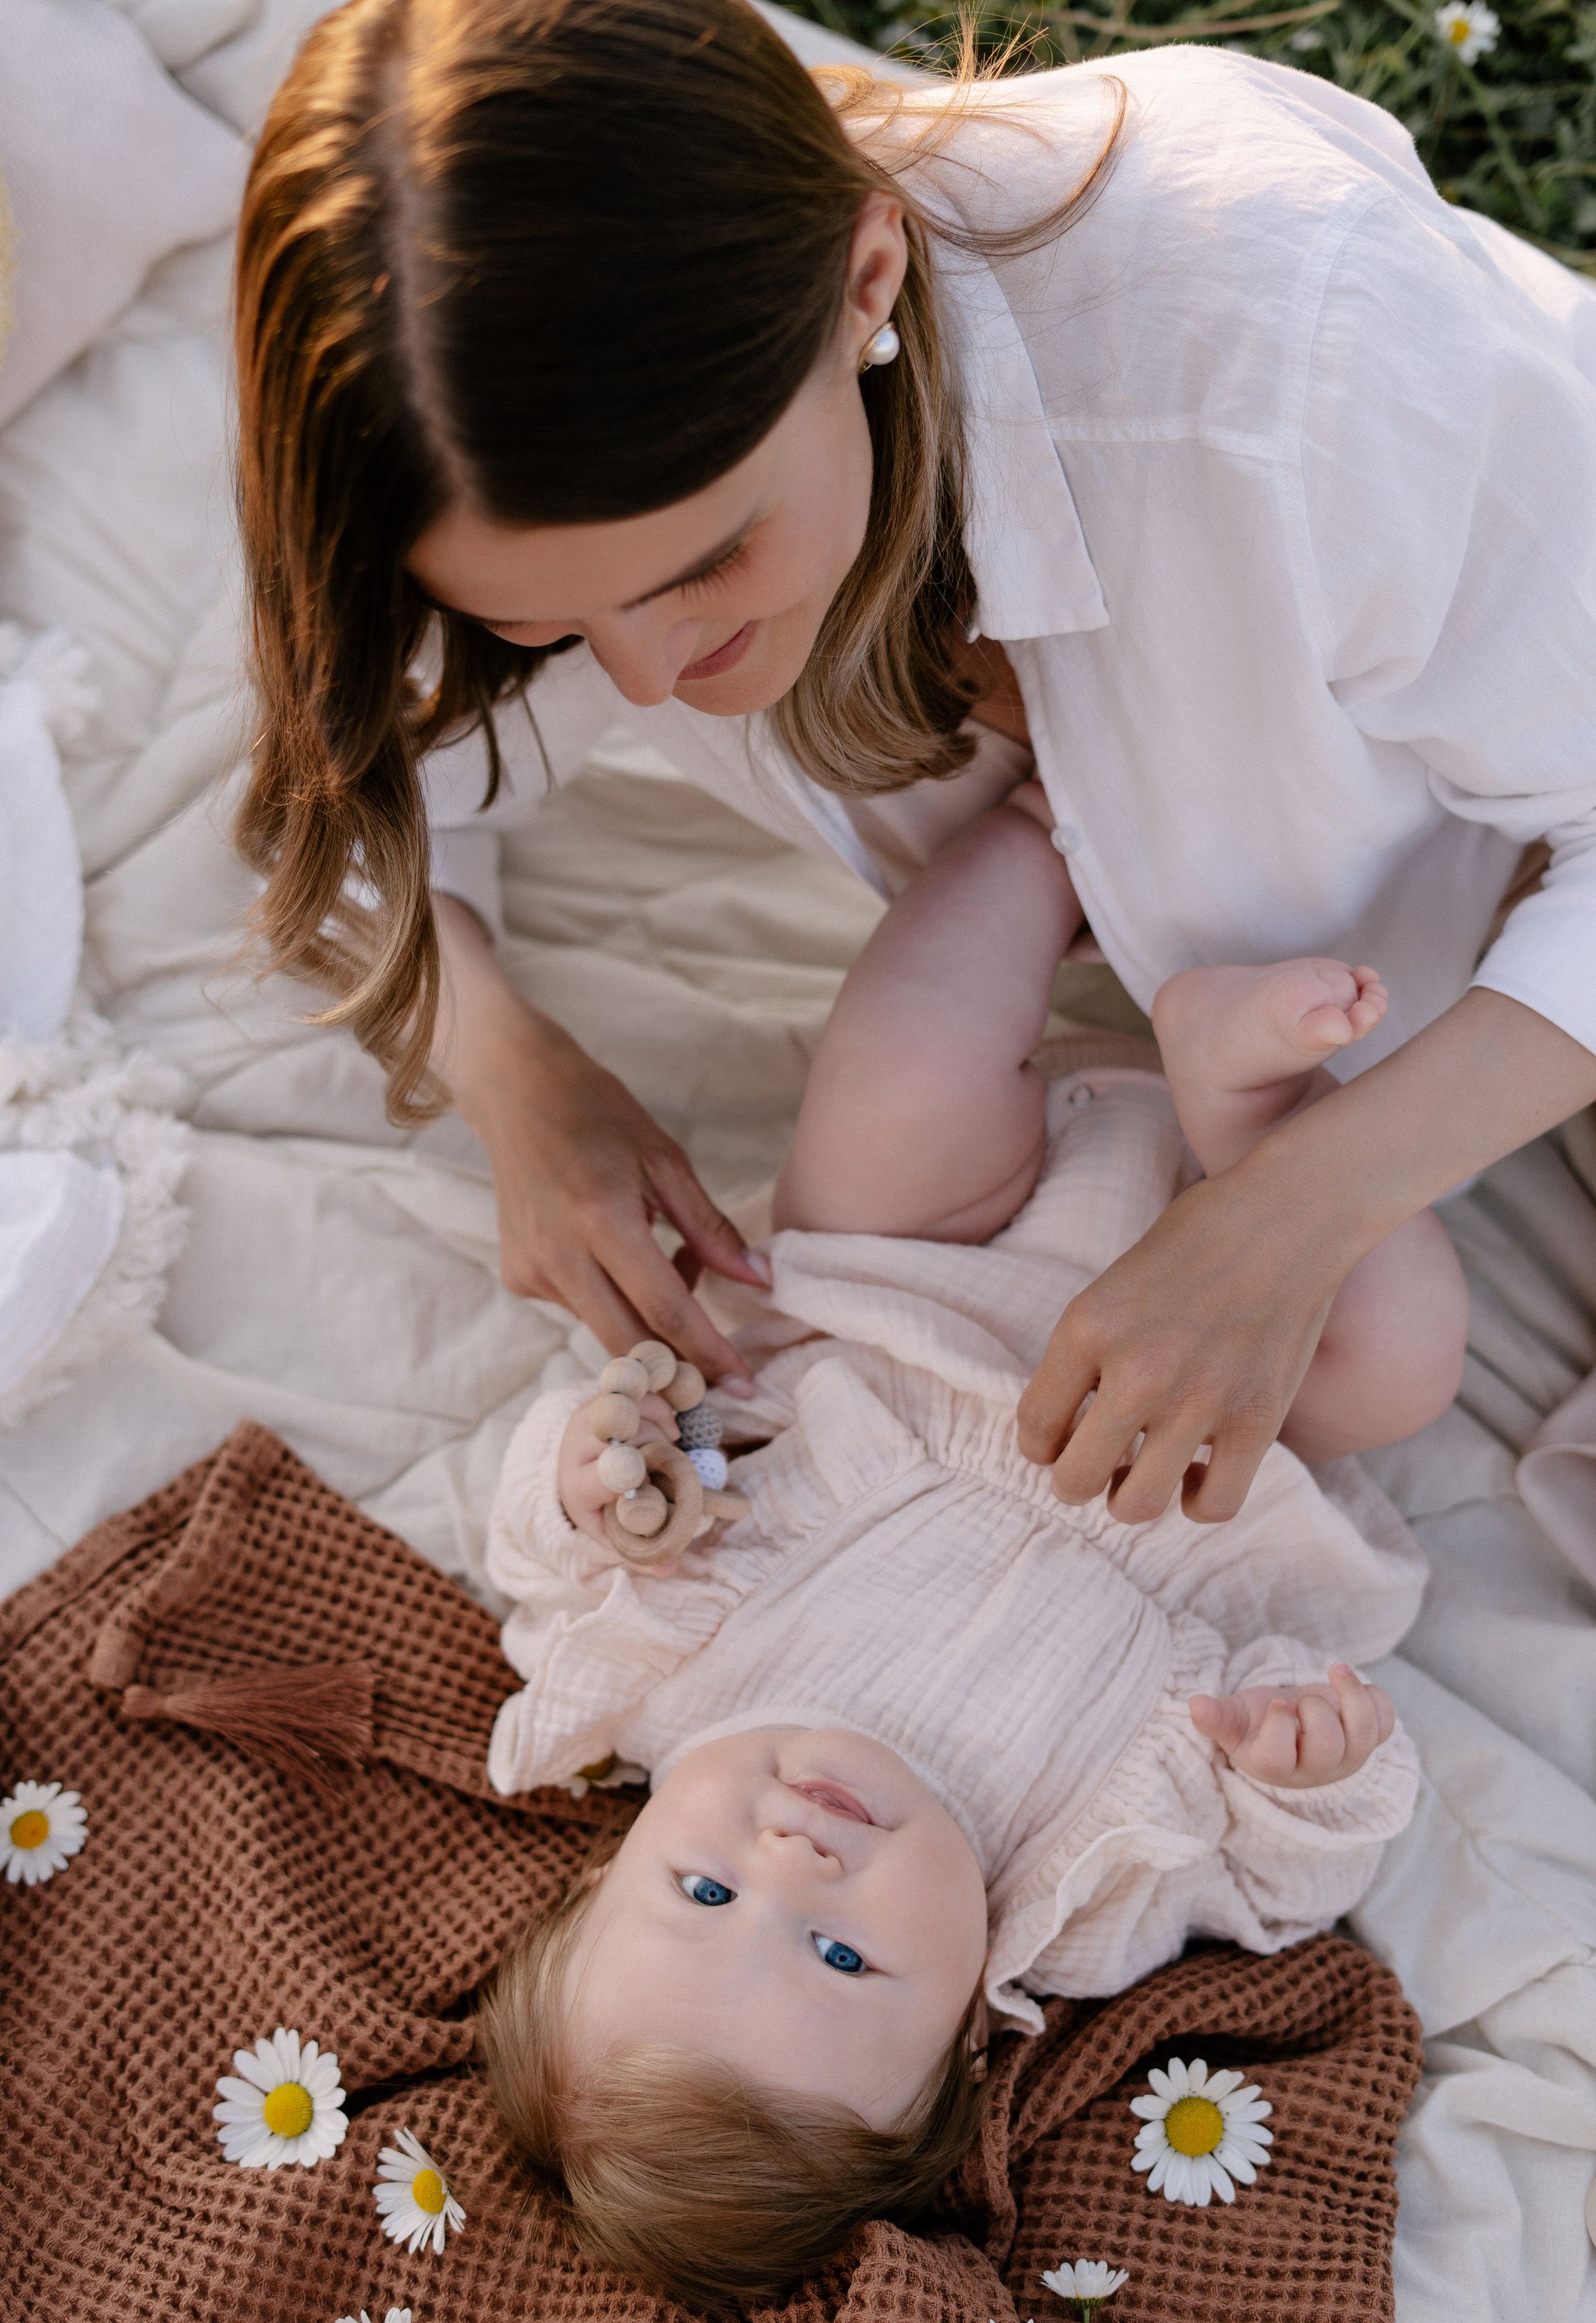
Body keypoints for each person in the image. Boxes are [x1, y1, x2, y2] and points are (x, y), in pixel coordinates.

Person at [233, 0, 1596, 1530]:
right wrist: (514, 1076)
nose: (642, 676)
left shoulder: (1296, 360)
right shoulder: (478, 436)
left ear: (864, 286)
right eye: (537, 620)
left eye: (708, 561)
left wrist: (1292, 1213)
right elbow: (352, 785)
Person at [473, 870, 1433, 2309]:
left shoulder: (652, 1678)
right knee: (1402, 1366)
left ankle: (1035, 843)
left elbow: (535, 1550)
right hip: (1234, 1391)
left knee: (882, 1112)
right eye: (846, 1956)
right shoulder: (1078, 1895)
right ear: (968, 2034)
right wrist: (1305, 1771)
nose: (795, 1863)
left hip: (937, 1269)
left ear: (614, 1861)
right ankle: (1252, 1106)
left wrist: (595, 1480)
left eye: (706, 1885)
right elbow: (1282, 1883)